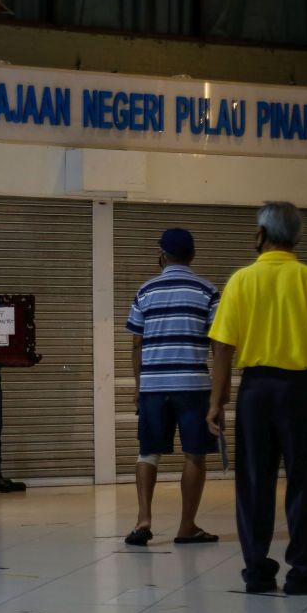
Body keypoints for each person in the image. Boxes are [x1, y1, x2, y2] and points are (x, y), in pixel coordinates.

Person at [207, 201, 307, 595]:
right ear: (296, 239)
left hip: (255, 392)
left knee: (253, 481)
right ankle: (303, 572)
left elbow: (222, 349)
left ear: (261, 235)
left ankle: (256, 570)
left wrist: (217, 402)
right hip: (301, 392)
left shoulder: (240, 281)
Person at [124, 227, 223, 546]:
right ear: (192, 256)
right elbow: (219, 345)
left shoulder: (145, 291)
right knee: (195, 453)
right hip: (193, 386)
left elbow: (137, 343)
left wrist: (140, 387)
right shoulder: (208, 290)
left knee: (147, 452)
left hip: (153, 385)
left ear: (162, 255)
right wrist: (219, 396)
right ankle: (186, 526)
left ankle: (143, 521)